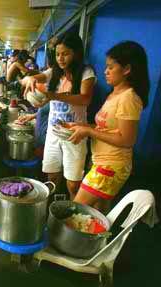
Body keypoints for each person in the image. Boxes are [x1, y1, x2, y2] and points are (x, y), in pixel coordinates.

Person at [70, 41, 149, 212]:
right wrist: (82, 126)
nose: (105, 71)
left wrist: (88, 130)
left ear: (127, 69)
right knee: (98, 214)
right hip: (102, 161)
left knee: (74, 212)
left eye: (110, 67)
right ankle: (100, 238)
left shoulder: (129, 98)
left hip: (111, 166)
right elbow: (106, 128)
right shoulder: (114, 94)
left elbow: (127, 140)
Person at [24, 32, 96, 199]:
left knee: (73, 183)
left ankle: (72, 213)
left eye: (65, 54)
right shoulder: (54, 72)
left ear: (76, 53)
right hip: (53, 134)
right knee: (52, 177)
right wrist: (30, 79)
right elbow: (35, 77)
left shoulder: (86, 72)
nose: (60, 58)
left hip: (74, 135)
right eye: (57, 54)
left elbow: (85, 99)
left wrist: (53, 95)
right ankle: (51, 209)